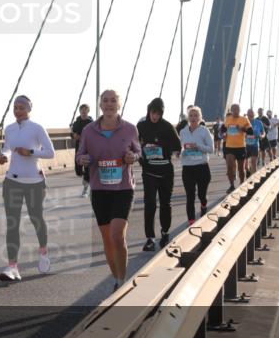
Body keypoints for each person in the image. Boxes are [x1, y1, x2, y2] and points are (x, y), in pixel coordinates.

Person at [77, 89, 141, 291]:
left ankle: (123, 281)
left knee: (117, 235)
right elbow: (80, 156)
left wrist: (133, 157)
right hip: (99, 189)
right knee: (106, 238)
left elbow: (138, 151)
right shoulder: (88, 130)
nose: (109, 104)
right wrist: (83, 159)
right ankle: (116, 277)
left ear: (119, 105)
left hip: (123, 188)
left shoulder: (130, 129)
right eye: (105, 100)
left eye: (113, 100)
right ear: (100, 105)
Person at [0, 95, 55, 280]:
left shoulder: (37, 128)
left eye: (22, 107)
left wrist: (30, 152)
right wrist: (4, 155)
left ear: (29, 109)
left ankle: (44, 252)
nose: (18, 110)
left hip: (34, 182)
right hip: (12, 181)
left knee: (36, 218)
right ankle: (12, 266)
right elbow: (7, 147)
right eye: (15, 107)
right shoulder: (9, 129)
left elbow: (50, 152)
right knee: (12, 223)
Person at [136, 98, 181, 251]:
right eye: (153, 113)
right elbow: (134, 144)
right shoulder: (141, 126)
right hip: (149, 171)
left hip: (165, 171)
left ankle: (165, 233)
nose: (155, 116)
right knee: (149, 204)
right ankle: (150, 238)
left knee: (165, 204)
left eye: (158, 113)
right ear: (149, 111)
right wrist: (141, 156)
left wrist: (164, 146)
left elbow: (177, 145)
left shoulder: (167, 126)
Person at [179, 106, 213, 225]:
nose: (193, 117)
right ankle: (191, 222)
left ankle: (203, 205)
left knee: (201, 194)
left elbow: (211, 149)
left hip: (202, 167)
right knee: (190, 195)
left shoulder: (204, 131)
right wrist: (181, 152)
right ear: (188, 117)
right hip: (188, 167)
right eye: (191, 115)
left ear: (200, 118)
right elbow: (180, 149)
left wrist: (198, 146)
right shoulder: (182, 132)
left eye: (195, 115)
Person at [223, 104, 254, 193]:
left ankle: (241, 183)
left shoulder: (244, 119)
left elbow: (250, 132)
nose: (236, 111)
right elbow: (222, 130)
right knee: (229, 166)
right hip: (229, 146)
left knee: (241, 168)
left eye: (237, 109)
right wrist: (223, 135)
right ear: (231, 110)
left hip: (240, 147)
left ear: (239, 110)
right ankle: (232, 185)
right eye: (234, 110)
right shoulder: (228, 119)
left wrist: (242, 128)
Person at [71, 104, 94, 197]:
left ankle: (86, 188)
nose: (84, 112)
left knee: (87, 167)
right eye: (82, 110)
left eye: (86, 110)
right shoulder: (76, 123)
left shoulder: (91, 123)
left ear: (88, 111)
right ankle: (86, 177)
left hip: (89, 148)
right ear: (80, 111)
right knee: (78, 169)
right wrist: (74, 136)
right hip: (79, 148)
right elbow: (71, 134)